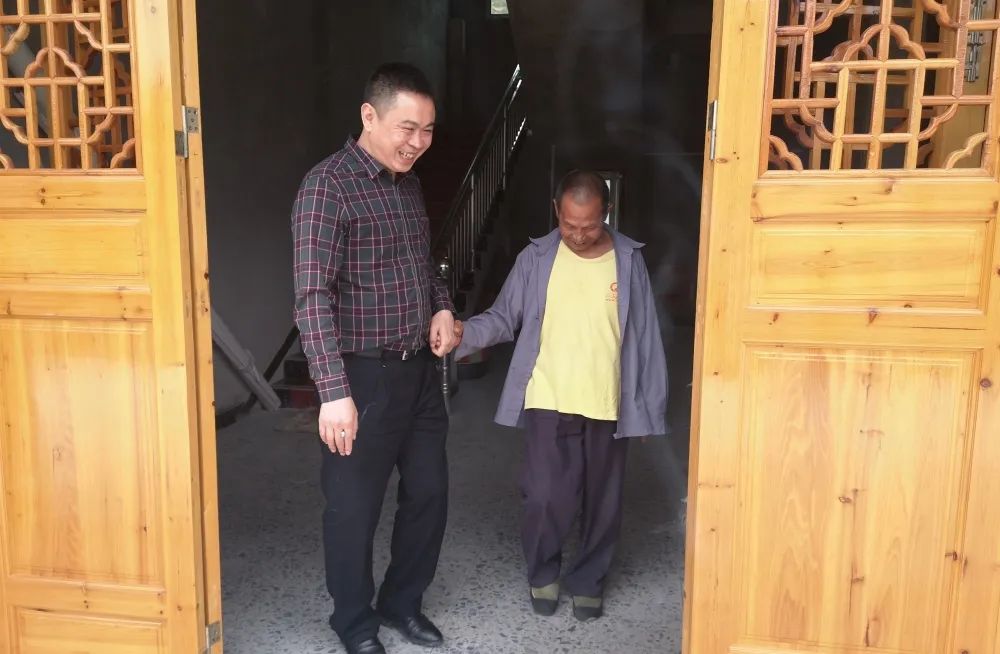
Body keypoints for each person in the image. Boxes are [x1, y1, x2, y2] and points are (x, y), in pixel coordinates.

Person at [291, 62, 456, 654]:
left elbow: (423, 262)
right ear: (369, 116)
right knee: (354, 508)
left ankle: (402, 602)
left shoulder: (408, 184)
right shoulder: (327, 188)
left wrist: (442, 305)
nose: (418, 142)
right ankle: (354, 623)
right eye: (407, 128)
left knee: (429, 493)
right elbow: (312, 296)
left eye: (428, 130)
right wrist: (333, 392)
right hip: (361, 375)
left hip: (418, 372)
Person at [452, 169, 668, 621]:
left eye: (588, 225)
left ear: (606, 212)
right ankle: (543, 572)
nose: (578, 235)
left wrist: (649, 407)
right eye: (570, 225)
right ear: (556, 211)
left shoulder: (628, 260)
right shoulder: (536, 257)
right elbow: (503, 316)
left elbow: (646, 335)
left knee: (603, 501)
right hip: (548, 395)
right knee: (545, 494)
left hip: (608, 400)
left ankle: (589, 580)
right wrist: (462, 334)